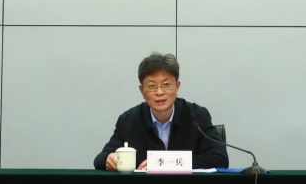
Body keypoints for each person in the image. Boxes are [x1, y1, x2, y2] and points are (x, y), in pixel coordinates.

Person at [94, 52, 229, 171]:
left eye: (166, 85)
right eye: (152, 86)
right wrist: (108, 158)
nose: (159, 92)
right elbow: (100, 158)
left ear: (177, 86)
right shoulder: (129, 120)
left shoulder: (197, 116)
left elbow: (220, 158)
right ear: (142, 90)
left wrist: (165, 164)